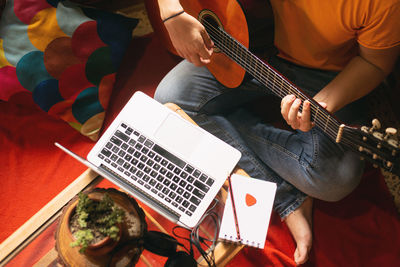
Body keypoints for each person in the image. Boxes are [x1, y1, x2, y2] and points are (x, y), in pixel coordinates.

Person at [155, 0, 400, 264]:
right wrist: (171, 12)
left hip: (324, 76)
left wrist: (323, 104)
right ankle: (287, 197)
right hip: (246, 47)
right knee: (169, 102)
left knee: (335, 178)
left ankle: (225, 126)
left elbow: (374, 62)